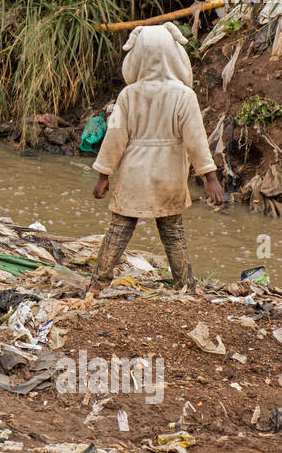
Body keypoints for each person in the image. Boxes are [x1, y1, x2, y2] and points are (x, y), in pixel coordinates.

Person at [87, 22, 224, 294]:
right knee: (173, 234)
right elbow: (196, 140)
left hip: (134, 176)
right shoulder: (184, 96)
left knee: (118, 231)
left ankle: (96, 286)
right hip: (169, 175)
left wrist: (104, 175)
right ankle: (186, 285)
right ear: (174, 54)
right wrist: (210, 178)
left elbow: (115, 138)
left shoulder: (128, 95)